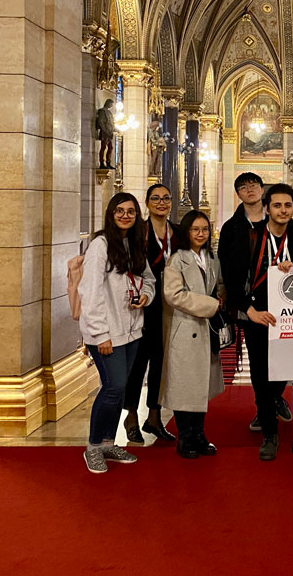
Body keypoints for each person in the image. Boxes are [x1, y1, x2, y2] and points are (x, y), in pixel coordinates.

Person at [226, 183, 293, 461]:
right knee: (262, 377)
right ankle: (270, 434)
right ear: (267, 208)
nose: (283, 210)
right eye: (277, 205)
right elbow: (234, 282)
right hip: (259, 318)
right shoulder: (249, 238)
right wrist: (250, 312)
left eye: (288, 205)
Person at [78, 192, 156, 473]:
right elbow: (90, 292)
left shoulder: (134, 244)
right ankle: (94, 446)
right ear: (111, 214)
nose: (125, 215)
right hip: (106, 332)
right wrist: (100, 335)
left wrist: (146, 296)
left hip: (132, 330)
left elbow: (148, 278)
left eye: (131, 212)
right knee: (113, 387)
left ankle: (109, 443)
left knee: (120, 389)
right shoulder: (100, 245)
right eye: (120, 211)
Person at [218, 172, 292, 431]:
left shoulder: (280, 219)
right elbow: (227, 271)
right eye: (243, 187)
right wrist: (241, 306)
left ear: (263, 190)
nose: (249, 190)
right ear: (237, 193)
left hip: (284, 303)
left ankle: (273, 397)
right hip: (251, 304)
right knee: (259, 363)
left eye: (253, 186)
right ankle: (264, 411)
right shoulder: (231, 227)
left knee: (285, 358)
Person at [161, 210, 226, 459]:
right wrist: (211, 305)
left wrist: (221, 297)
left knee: (201, 387)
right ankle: (185, 437)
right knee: (185, 387)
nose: (201, 234)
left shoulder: (211, 258)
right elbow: (174, 295)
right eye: (195, 229)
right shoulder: (176, 260)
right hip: (186, 328)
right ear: (186, 232)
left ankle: (199, 434)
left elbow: (219, 285)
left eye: (205, 229)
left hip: (206, 331)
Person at [122, 184, 178, 443]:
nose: (161, 202)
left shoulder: (177, 233)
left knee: (161, 362)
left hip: (169, 306)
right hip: (142, 305)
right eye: (155, 198)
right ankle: (131, 415)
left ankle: (154, 417)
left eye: (166, 198)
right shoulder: (137, 233)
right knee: (137, 362)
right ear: (147, 203)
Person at [96, 98, 114, 169]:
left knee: (111, 147)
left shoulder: (109, 112)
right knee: (103, 147)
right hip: (104, 133)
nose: (112, 106)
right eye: (111, 104)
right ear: (108, 103)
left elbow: (111, 123)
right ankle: (101, 163)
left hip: (109, 133)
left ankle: (108, 162)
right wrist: (105, 130)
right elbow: (101, 122)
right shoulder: (102, 111)